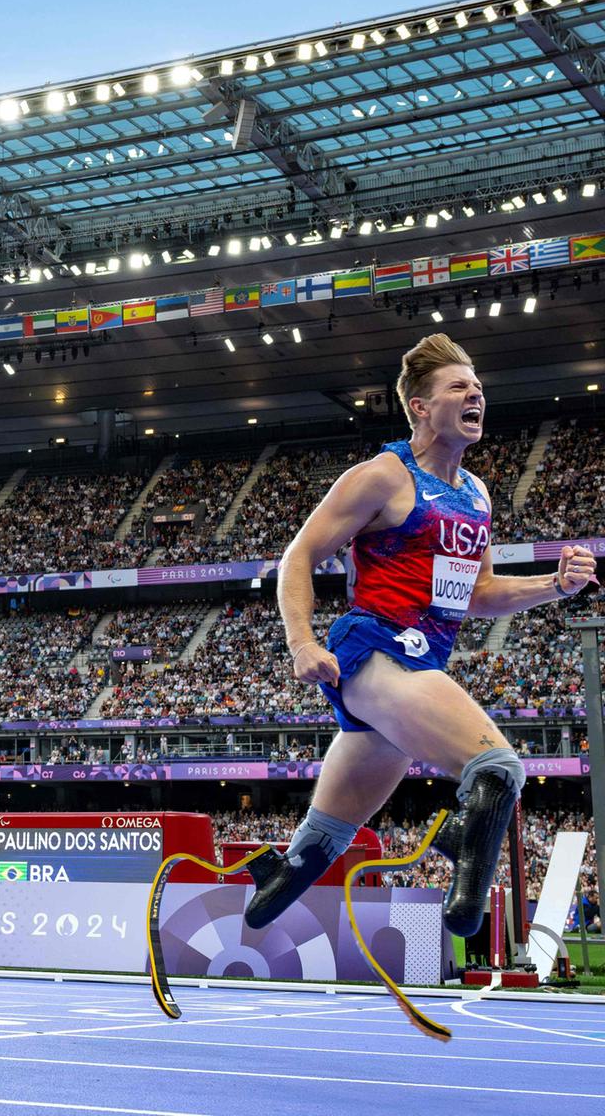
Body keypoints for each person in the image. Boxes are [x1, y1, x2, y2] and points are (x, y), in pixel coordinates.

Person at [247, 334, 598, 936]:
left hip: (420, 662)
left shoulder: (477, 494)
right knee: (497, 771)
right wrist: (302, 642)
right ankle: (459, 838)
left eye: (479, 387)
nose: (476, 395)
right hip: (374, 649)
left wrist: (555, 585)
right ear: (420, 406)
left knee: (315, 851)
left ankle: (275, 875)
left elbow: (479, 592)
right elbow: (299, 556)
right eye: (459, 387)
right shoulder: (383, 476)